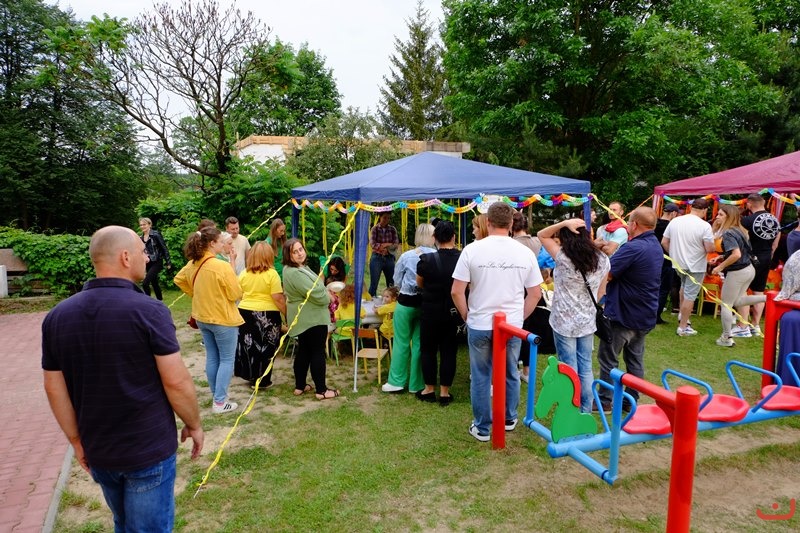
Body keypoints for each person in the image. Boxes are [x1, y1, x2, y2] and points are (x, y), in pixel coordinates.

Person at [42, 226, 203, 532]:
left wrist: (76, 440)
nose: (148, 257)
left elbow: (54, 386)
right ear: (126, 257)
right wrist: (193, 424)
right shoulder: (149, 311)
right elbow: (176, 381)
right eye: (143, 252)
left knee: (124, 523)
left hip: (99, 447)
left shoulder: (57, 316)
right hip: (147, 448)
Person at [452, 202, 543, 442]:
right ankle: (509, 417)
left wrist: (467, 315)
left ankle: (482, 427)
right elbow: (535, 293)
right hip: (510, 325)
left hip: (480, 323)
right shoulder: (524, 252)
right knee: (510, 371)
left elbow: (456, 291)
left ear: (488, 222)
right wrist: (519, 318)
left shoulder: (472, 250)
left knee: (481, 375)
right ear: (511, 223)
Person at [537, 218, 610, 413]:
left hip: (563, 321)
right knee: (585, 367)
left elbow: (542, 234)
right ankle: (585, 410)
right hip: (587, 320)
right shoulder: (603, 260)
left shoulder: (563, 257)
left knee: (568, 368)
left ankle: (571, 409)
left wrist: (564, 223)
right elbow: (601, 292)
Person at [596, 208, 663, 412]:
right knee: (635, 359)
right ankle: (630, 400)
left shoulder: (633, 247)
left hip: (624, 313)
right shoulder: (655, 245)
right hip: (645, 312)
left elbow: (608, 273)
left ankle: (605, 400)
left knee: (608, 358)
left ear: (634, 225)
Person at [174, 227, 243, 414]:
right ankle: (220, 402)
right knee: (227, 359)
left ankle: (217, 396)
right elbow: (235, 293)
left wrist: (196, 293)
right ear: (212, 243)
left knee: (213, 356)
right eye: (220, 241)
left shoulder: (193, 263)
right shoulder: (220, 266)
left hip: (203, 317)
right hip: (222, 318)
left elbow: (179, 279)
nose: (223, 244)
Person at [381, 224, 436, 393]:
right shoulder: (436, 256)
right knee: (419, 343)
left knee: (401, 342)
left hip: (405, 303)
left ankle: (396, 381)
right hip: (425, 303)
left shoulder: (406, 256)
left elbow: (396, 280)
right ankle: (416, 384)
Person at [282, 238, 340, 400]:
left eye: (301, 249)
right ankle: (321, 390)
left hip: (306, 317)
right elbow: (314, 293)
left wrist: (325, 290)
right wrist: (329, 297)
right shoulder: (294, 272)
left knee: (305, 350)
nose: (300, 253)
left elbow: (316, 286)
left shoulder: (298, 268)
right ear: (288, 255)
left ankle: (300, 386)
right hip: (311, 318)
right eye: (295, 252)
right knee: (317, 352)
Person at [416, 220, 462, 405]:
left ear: (434, 238)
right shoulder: (462, 258)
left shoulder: (426, 260)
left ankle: (428, 389)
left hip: (430, 311)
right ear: (454, 237)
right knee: (449, 351)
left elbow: (420, 283)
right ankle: (444, 393)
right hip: (453, 311)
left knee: (428, 350)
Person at [710, 204, 767, 347]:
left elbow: (736, 254)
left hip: (738, 271)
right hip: (748, 269)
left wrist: (720, 267)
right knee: (738, 301)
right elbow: (738, 251)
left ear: (729, 217)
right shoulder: (739, 230)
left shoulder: (728, 233)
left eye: (721, 214)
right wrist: (721, 257)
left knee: (726, 304)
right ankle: (768, 298)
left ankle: (726, 338)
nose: (717, 217)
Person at [661, 198, 716, 336]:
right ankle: (683, 327)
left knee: (684, 288)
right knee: (690, 295)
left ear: (691, 208)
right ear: (705, 210)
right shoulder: (704, 226)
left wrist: (673, 254)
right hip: (695, 265)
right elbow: (710, 248)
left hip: (678, 263)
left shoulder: (675, 221)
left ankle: (682, 315)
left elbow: (664, 242)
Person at [236, 241, 286, 390]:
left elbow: (238, 293)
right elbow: (278, 298)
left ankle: (250, 375)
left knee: (249, 346)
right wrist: (286, 313)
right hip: (267, 314)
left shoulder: (244, 273)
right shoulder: (272, 274)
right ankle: (263, 380)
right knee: (267, 347)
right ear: (268, 256)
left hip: (245, 312)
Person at [738, 193, 780, 336]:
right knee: (759, 291)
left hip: (750, 257)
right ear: (764, 203)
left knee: (743, 290)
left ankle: (743, 324)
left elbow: (742, 240)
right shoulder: (775, 219)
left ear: (749, 204)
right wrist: (769, 254)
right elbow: (775, 243)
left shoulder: (747, 220)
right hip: (766, 256)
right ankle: (755, 326)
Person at [512, 211, 542, 382]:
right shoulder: (536, 242)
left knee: (516, 329)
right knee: (529, 329)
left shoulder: (512, 244)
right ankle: (527, 370)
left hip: (518, 286)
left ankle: (514, 365)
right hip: (532, 285)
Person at [654, 204, 680, 323]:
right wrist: (673, 255)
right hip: (666, 260)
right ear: (673, 213)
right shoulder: (671, 226)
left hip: (653, 259)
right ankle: (656, 316)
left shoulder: (654, 224)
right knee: (664, 289)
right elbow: (666, 243)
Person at [139, 217, 171, 300]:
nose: (142, 226)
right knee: (154, 283)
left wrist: (168, 262)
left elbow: (164, 248)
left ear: (150, 225)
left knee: (145, 283)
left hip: (157, 261)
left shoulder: (155, 235)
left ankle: (148, 302)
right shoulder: (141, 238)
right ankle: (160, 301)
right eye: (141, 225)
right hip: (148, 263)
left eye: (144, 224)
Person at [368, 212, 400, 297]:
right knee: (374, 283)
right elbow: (372, 244)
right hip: (377, 258)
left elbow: (396, 244)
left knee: (391, 282)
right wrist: (387, 245)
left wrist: (385, 246)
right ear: (380, 217)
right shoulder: (375, 229)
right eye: (385, 217)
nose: (387, 220)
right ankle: (371, 298)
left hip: (389, 258)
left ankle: (392, 300)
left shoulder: (392, 229)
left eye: (388, 218)